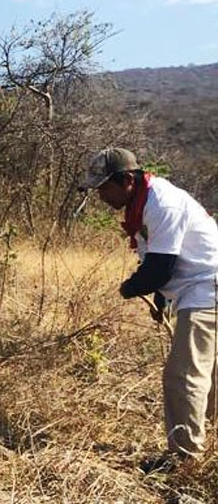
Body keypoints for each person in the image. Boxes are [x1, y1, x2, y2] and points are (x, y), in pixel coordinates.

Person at [80, 147, 218, 472]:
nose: (100, 195)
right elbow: (161, 262)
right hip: (198, 285)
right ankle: (204, 439)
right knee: (208, 370)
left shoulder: (162, 203)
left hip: (206, 286)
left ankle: (186, 460)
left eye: (104, 187)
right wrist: (162, 297)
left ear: (127, 180)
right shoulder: (141, 203)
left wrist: (130, 287)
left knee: (183, 376)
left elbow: (159, 269)